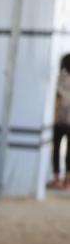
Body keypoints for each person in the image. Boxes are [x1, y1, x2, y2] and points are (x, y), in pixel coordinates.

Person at [51, 53, 70, 190]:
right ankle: (67, 180)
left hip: (59, 120)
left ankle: (57, 179)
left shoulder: (60, 79)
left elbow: (57, 96)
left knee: (56, 149)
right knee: (68, 151)